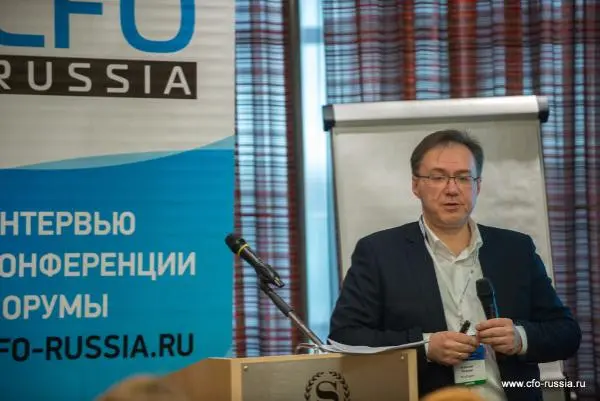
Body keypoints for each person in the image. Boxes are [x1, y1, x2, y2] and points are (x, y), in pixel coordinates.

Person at [328, 129, 581, 401]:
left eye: (463, 177)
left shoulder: (515, 249)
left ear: (478, 186)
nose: (451, 189)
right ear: (416, 185)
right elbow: (344, 338)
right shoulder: (379, 253)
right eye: (438, 177)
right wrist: (426, 346)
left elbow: (566, 333)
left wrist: (520, 338)